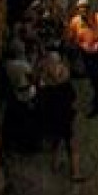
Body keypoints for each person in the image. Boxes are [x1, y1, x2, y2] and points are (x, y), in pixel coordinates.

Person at [34, 49, 82, 181]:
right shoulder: (66, 87)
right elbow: (74, 101)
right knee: (72, 145)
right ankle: (75, 173)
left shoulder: (45, 89)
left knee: (55, 141)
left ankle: (55, 165)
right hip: (66, 117)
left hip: (51, 117)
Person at [67, 0, 98, 117]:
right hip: (85, 53)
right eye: (80, 10)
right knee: (92, 76)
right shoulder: (75, 22)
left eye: (85, 9)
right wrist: (81, 45)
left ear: (89, 9)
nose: (83, 12)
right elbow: (71, 38)